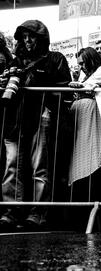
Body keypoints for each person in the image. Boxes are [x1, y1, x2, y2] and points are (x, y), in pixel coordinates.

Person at [0, 20, 71, 232]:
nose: (27, 40)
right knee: (12, 167)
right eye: (24, 37)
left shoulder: (55, 58)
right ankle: (11, 212)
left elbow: (64, 85)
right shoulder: (16, 61)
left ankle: (38, 213)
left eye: (31, 36)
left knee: (39, 167)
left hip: (41, 116)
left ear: (41, 37)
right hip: (15, 119)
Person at [67, 47, 101, 231]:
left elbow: (90, 87)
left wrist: (79, 87)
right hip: (85, 127)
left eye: (83, 62)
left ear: (91, 59)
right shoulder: (85, 76)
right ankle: (89, 219)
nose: (81, 67)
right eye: (79, 64)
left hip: (100, 124)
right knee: (85, 173)